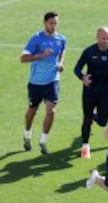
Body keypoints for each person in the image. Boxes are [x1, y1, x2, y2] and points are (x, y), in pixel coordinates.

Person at [20, 11, 66, 155]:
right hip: (36, 82)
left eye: (55, 23)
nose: (53, 26)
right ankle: (27, 134)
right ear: (44, 23)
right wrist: (41, 55)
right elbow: (23, 58)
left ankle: (43, 141)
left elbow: (62, 52)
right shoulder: (36, 39)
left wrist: (60, 63)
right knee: (32, 111)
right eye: (51, 23)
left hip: (52, 81)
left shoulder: (61, 39)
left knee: (51, 111)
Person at [73, 26, 108, 159]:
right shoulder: (89, 51)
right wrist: (82, 77)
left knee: (103, 121)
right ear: (97, 38)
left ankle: (95, 116)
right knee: (87, 119)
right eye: (103, 38)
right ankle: (85, 145)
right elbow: (77, 68)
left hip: (105, 90)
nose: (106, 41)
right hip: (90, 89)